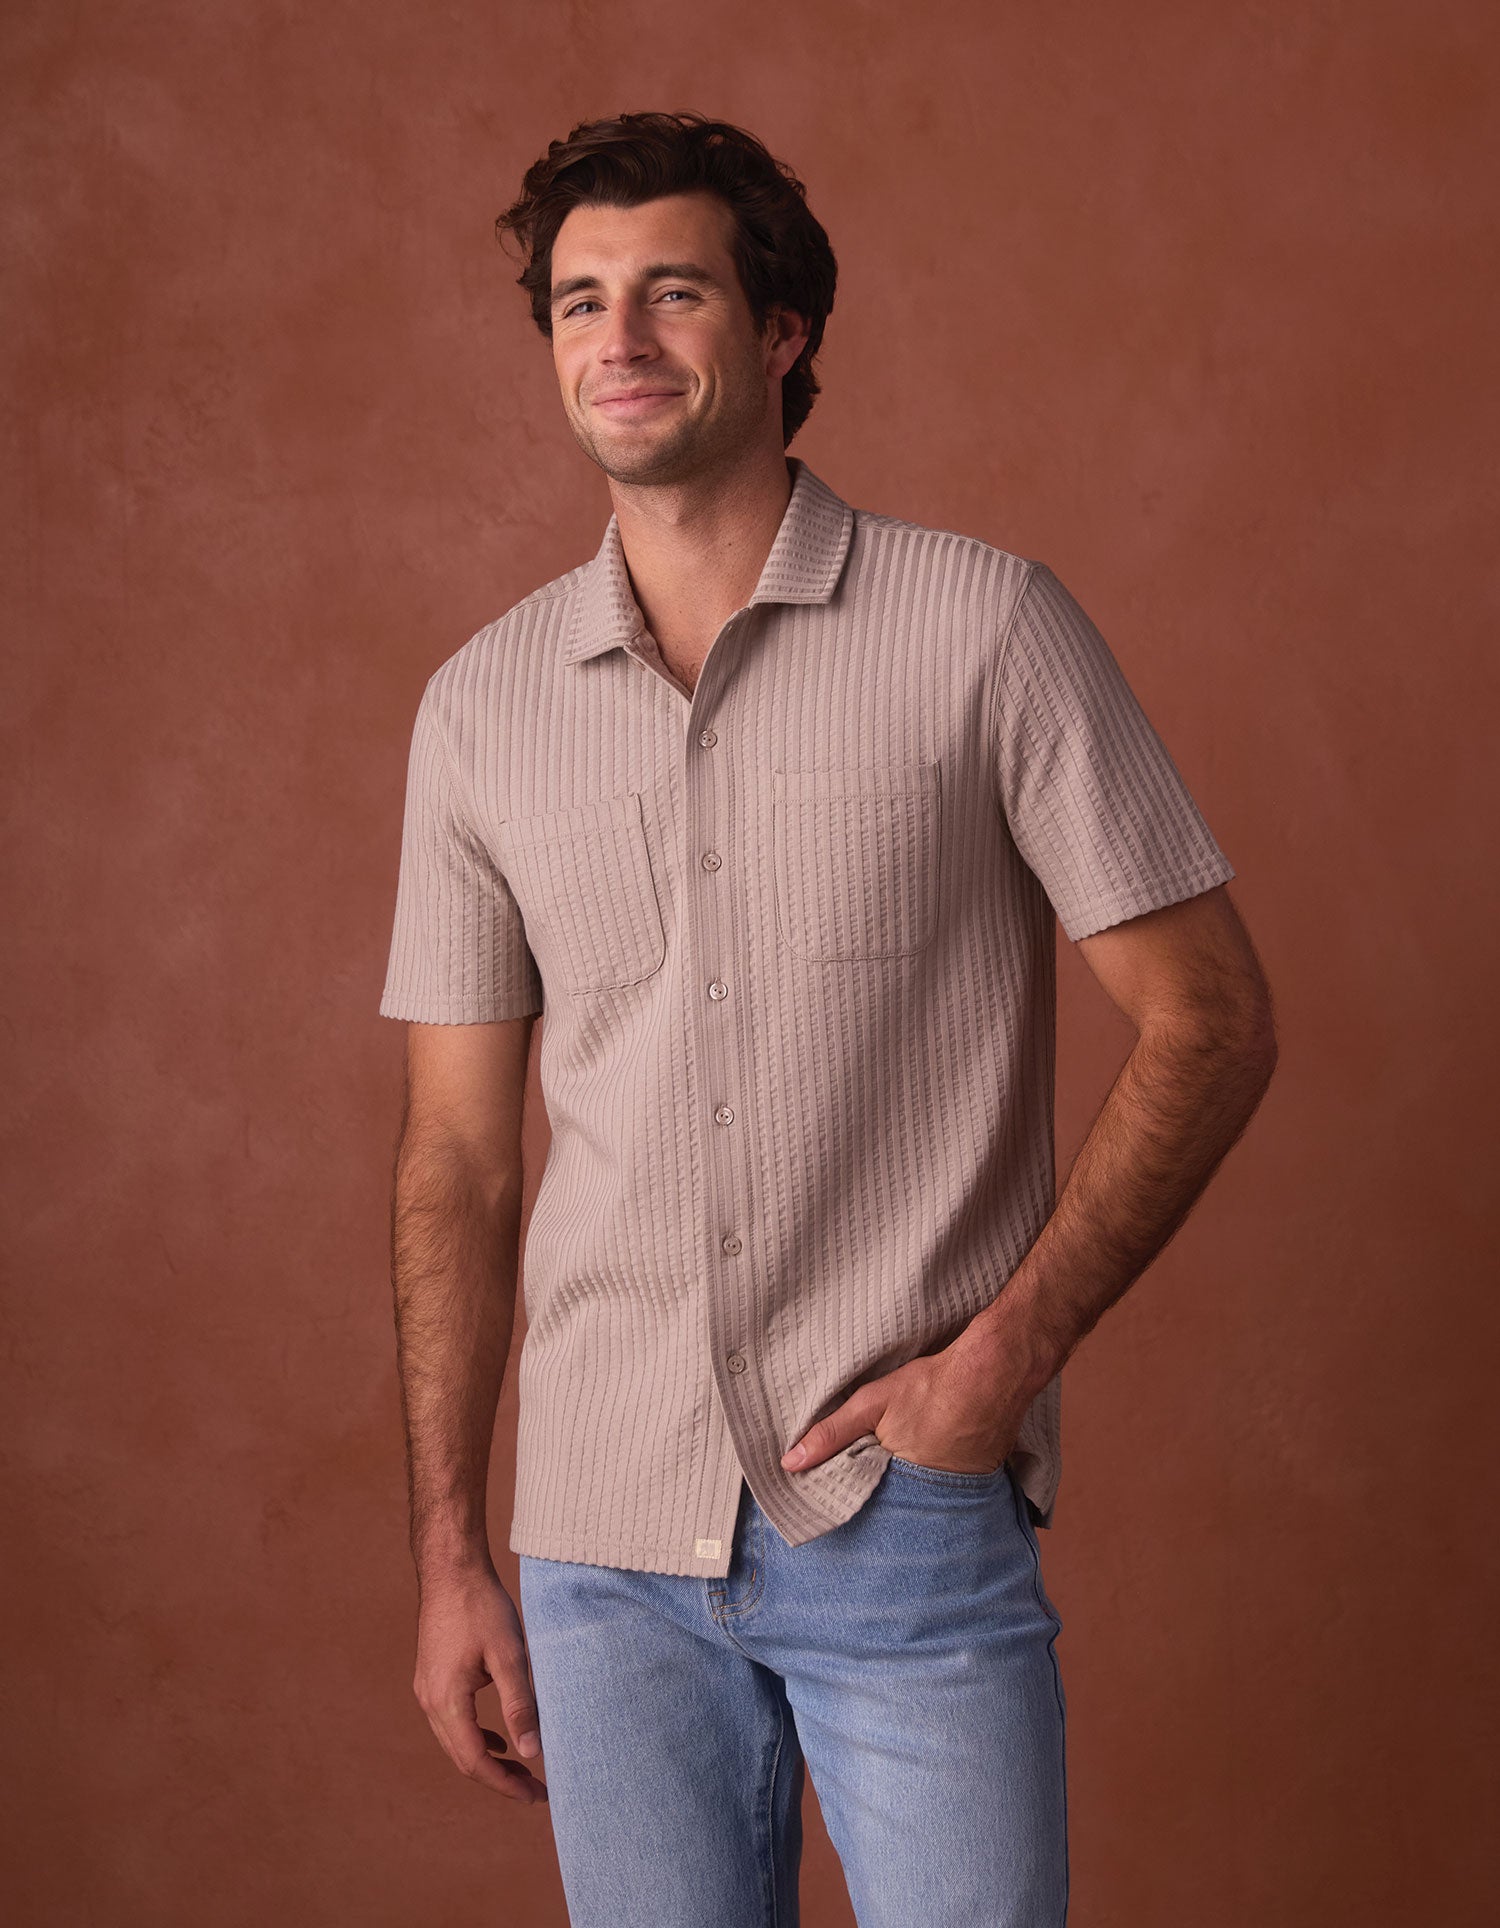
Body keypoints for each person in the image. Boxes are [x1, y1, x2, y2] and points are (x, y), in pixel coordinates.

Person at [377, 110, 1277, 1928]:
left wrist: (999, 1368)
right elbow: (458, 1161)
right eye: (579, 301)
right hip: (601, 1553)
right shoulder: (478, 711)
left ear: (782, 329)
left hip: (902, 1515)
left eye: (674, 291)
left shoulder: (985, 629)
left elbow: (1212, 1019)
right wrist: (452, 1554)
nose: (618, 338)